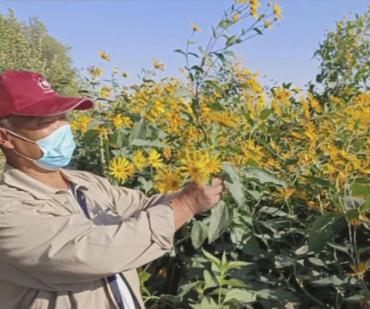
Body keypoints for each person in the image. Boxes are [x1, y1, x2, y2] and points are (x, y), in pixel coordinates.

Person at [0, 70, 225, 308]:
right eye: (46, 122)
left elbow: (142, 204)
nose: (62, 128)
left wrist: (195, 188)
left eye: (63, 117)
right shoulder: (8, 208)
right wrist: (186, 205)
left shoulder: (86, 183)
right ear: (5, 137)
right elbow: (94, 253)